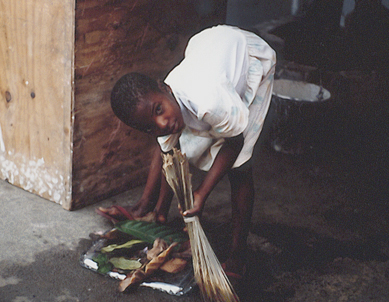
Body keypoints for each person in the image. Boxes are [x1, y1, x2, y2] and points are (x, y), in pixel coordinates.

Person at [99, 25, 276, 282]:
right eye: (149, 126)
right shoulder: (163, 106)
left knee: (240, 168)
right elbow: (168, 154)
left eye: (158, 110)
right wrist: (157, 207)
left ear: (165, 88)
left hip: (248, 57)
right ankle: (152, 209)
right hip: (207, 48)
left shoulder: (209, 101)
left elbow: (234, 142)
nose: (160, 124)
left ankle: (238, 253)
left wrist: (201, 193)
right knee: (171, 145)